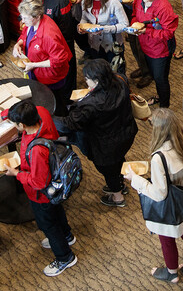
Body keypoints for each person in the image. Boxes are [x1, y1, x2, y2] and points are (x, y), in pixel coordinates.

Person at [0, 100, 77, 276]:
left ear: (21, 125)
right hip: (54, 183)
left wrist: (16, 174)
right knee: (57, 212)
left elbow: (38, 182)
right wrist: (4, 115)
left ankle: (65, 257)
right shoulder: (41, 113)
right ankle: (67, 235)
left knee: (48, 224)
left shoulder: (37, 150)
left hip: (41, 194)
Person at [126, 108, 183, 284]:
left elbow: (159, 193)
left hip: (168, 206)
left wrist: (135, 179)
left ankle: (172, 273)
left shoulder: (158, 158)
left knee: (167, 240)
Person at [55, 58, 137, 208]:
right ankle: (121, 182)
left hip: (105, 144)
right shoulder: (120, 80)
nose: (86, 81)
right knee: (118, 159)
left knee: (107, 169)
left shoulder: (91, 105)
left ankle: (117, 196)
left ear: (97, 81)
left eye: (87, 79)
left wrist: (47, 118)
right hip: (125, 132)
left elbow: (70, 124)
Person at [15, 0, 73, 112]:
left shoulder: (49, 35)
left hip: (51, 78)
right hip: (37, 73)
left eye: (25, 18)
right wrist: (18, 44)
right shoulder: (32, 24)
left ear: (36, 16)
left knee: (56, 104)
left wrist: (34, 65)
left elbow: (59, 60)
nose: (22, 20)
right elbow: (25, 34)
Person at [130, 0, 179, 107]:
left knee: (160, 79)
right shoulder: (138, 1)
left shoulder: (163, 7)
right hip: (146, 46)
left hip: (160, 50)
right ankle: (160, 97)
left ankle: (164, 106)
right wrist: (134, 24)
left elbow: (168, 32)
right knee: (153, 75)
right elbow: (134, 15)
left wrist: (146, 31)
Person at [81, 0, 128, 74]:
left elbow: (125, 25)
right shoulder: (85, 0)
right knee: (101, 73)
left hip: (112, 44)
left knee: (116, 72)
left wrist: (103, 29)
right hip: (95, 44)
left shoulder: (113, 3)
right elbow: (84, 19)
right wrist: (81, 27)